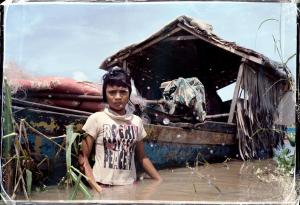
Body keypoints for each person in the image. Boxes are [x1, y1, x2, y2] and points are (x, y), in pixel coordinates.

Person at [78, 67, 162, 192]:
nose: (118, 97)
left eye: (123, 92)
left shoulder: (136, 121)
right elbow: (83, 156)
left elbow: (142, 157)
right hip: (102, 186)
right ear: (105, 95)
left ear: (129, 93)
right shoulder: (96, 118)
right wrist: (96, 187)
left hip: (129, 188)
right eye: (112, 92)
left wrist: (159, 182)